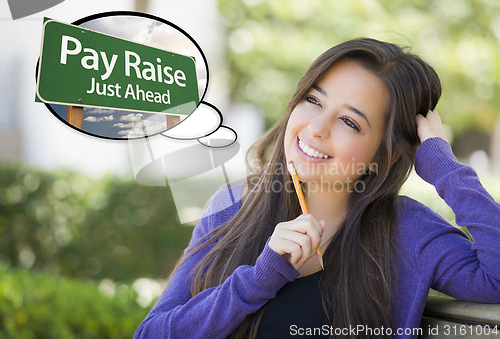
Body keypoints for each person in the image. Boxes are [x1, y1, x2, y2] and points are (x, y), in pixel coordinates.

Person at [133, 38, 500, 339]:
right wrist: (258, 280)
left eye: (348, 121)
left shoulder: (407, 231)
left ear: (387, 156)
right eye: (313, 100)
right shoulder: (232, 204)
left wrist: (445, 169)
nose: (316, 128)